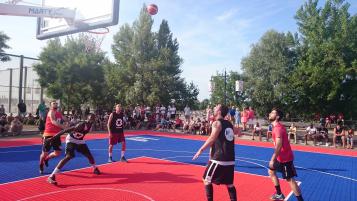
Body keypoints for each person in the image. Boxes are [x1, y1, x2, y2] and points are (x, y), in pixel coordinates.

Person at [193, 104, 239, 201]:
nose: (214, 108)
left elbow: (212, 138)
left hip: (219, 158)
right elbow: (238, 132)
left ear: (219, 111)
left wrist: (200, 150)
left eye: (216, 107)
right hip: (230, 158)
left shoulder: (217, 123)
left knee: (206, 179)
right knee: (229, 184)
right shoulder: (229, 123)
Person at [47, 114, 100, 185]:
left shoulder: (90, 125)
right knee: (69, 156)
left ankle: (95, 168)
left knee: (89, 155)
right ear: (87, 118)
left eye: (92, 119)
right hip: (71, 140)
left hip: (80, 141)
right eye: (90, 118)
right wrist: (53, 138)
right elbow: (65, 130)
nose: (91, 120)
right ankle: (51, 176)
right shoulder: (81, 125)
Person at [268, 108, 304, 201]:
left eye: (272, 113)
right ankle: (279, 194)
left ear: (277, 117)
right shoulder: (277, 127)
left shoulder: (278, 128)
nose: (270, 114)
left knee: (290, 180)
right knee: (271, 171)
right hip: (280, 157)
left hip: (285, 159)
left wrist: (272, 159)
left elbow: (279, 145)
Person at [39, 101, 67, 174]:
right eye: (53, 104)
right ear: (51, 106)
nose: (55, 104)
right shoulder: (50, 112)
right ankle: (41, 164)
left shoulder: (59, 113)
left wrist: (70, 123)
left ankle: (47, 159)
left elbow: (65, 119)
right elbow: (53, 121)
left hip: (56, 135)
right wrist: (64, 127)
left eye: (56, 104)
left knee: (57, 153)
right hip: (48, 135)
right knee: (44, 154)